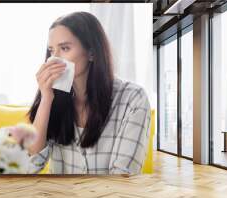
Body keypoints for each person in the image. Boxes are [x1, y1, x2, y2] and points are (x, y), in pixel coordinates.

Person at [27, 11, 151, 175]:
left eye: (64, 48)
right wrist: (46, 99)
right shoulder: (55, 100)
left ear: (91, 52)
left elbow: (122, 176)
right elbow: (32, 165)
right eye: (51, 50)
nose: (54, 59)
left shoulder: (133, 99)